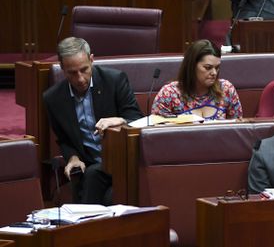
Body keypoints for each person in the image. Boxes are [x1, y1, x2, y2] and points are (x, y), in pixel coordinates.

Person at [43, 37, 143, 205]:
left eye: (84, 69)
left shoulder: (114, 80)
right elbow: (64, 139)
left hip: (122, 159)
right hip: (91, 164)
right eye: (72, 73)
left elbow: (138, 119)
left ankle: (85, 227)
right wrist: (73, 158)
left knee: (92, 175)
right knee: (92, 177)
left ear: (91, 60)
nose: (80, 78)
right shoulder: (53, 98)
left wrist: (119, 120)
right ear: (62, 68)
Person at [151, 39, 243, 120]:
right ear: (192, 66)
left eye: (217, 67)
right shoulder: (169, 94)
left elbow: (237, 130)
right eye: (208, 67)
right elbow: (157, 134)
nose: (214, 73)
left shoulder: (226, 89)